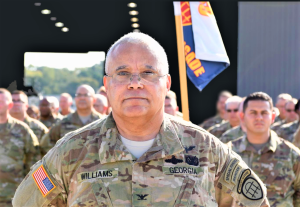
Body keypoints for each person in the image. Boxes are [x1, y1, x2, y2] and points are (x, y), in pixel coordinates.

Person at [13, 32, 268, 207]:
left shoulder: (207, 150)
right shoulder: (71, 152)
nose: (135, 84)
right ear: (107, 85)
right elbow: (25, 202)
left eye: (148, 72)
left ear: (166, 83)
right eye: (122, 73)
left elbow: (254, 201)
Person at [226, 92, 300, 206]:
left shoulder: (292, 155)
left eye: (264, 113)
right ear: (242, 116)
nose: (259, 117)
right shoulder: (227, 154)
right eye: (253, 112)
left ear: (273, 117)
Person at [0, 88, 40, 206]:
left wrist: (43, 195)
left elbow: (36, 165)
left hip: (14, 198)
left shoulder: (23, 131)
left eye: (1, 102)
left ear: (10, 105)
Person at [40, 84, 103, 155]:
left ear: (94, 99)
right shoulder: (63, 122)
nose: (82, 98)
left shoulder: (103, 122)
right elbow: (44, 144)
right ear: (75, 99)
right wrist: (59, 157)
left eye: (86, 95)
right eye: (79, 95)